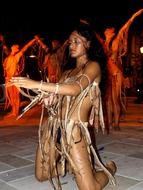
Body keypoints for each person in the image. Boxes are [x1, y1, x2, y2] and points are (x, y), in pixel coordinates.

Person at [10, 22, 116, 190]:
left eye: (76, 41)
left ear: (88, 43)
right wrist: (50, 98)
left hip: (73, 131)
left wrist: (37, 84)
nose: (71, 45)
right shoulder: (66, 73)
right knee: (42, 175)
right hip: (53, 127)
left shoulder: (93, 67)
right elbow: (60, 95)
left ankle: (109, 168)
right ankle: (72, 166)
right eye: (70, 42)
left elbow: (74, 90)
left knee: (90, 188)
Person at [95, 9, 143, 131]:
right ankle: (109, 122)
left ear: (111, 32)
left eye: (108, 30)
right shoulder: (103, 43)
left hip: (116, 74)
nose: (107, 31)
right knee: (107, 100)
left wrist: (133, 16)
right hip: (107, 74)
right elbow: (94, 35)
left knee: (115, 100)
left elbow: (125, 27)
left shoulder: (116, 42)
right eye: (106, 31)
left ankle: (115, 123)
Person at [3, 37, 36, 117]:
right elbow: (5, 48)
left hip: (14, 78)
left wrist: (34, 40)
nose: (15, 47)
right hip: (8, 79)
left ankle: (16, 112)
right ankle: (13, 110)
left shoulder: (16, 56)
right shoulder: (8, 57)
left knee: (15, 96)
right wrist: (3, 40)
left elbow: (26, 47)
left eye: (16, 47)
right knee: (11, 96)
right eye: (14, 46)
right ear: (12, 48)